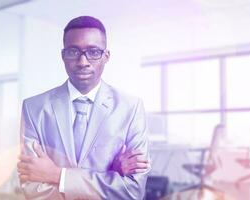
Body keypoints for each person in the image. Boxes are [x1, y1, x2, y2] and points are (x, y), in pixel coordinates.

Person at [16, 16, 150, 200]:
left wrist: (57, 176)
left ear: (106, 56)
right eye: (73, 51)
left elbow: (133, 191)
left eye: (93, 52)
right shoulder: (33, 108)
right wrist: (110, 174)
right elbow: (32, 188)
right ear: (63, 55)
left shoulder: (131, 107)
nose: (83, 62)